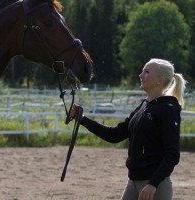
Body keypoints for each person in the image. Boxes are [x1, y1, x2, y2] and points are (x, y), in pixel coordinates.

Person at [70, 58, 187, 200]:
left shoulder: (168, 110)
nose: (140, 75)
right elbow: (114, 135)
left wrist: (153, 183)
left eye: (146, 72)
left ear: (159, 80)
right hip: (133, 182)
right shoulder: (144, 106)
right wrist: (81, 119)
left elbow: (172, 154)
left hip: (154, 186)